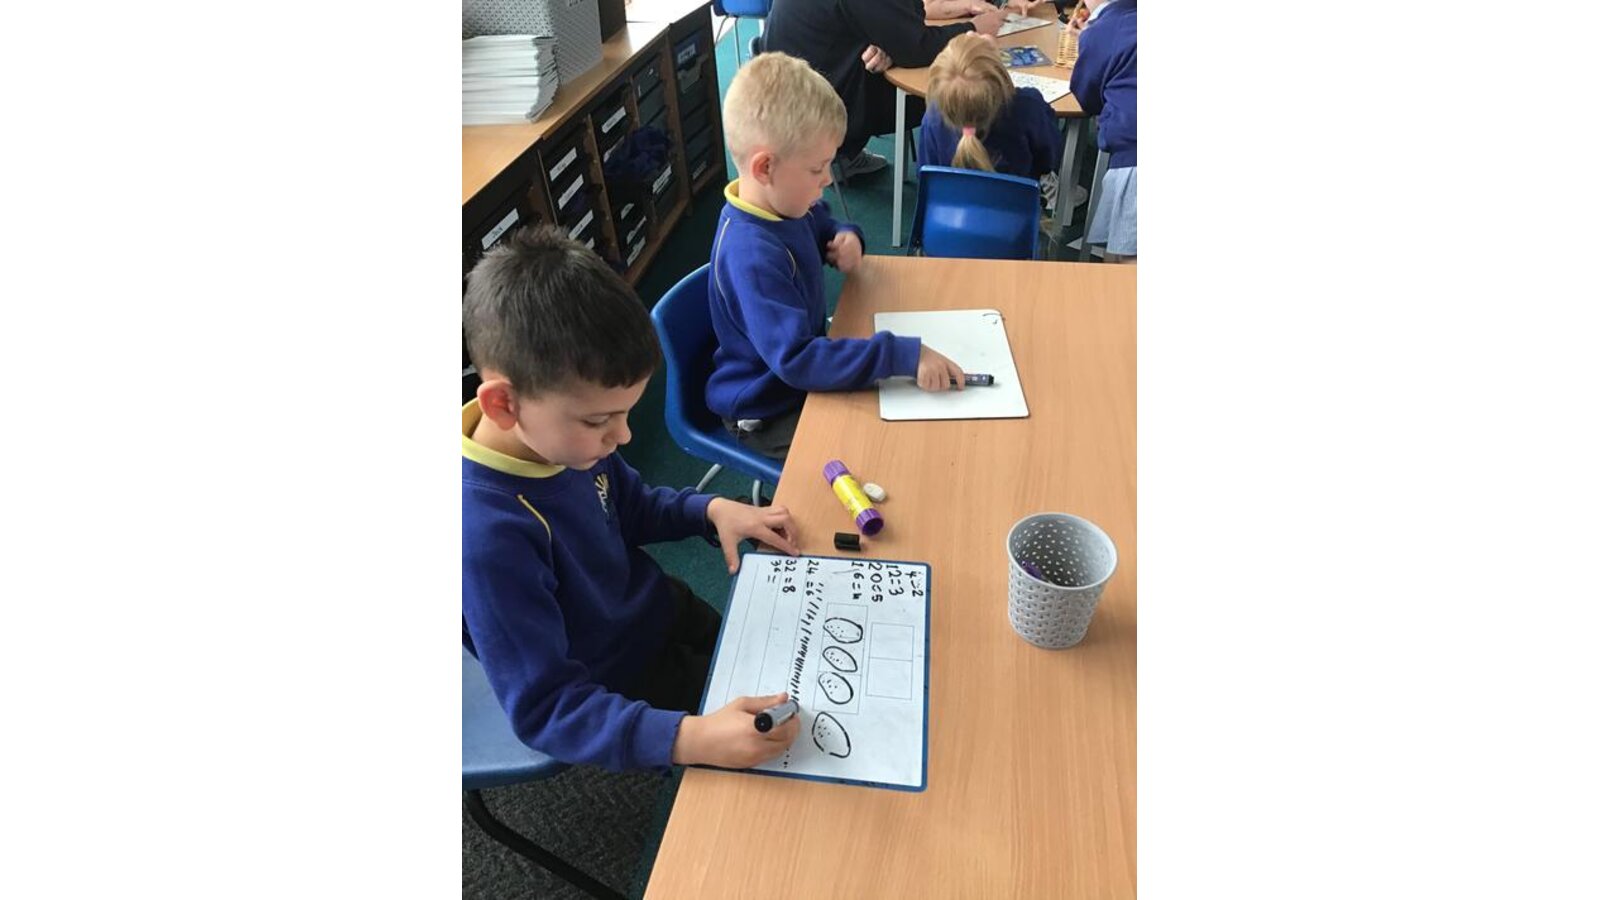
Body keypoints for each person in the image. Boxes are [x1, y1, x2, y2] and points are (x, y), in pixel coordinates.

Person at [462, 225, 803, 772]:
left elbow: (631, 507)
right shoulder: (484, 537)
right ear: (503, 405)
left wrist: (708, 509)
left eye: (625, 414)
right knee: (769, 760)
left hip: (659, 610)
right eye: (599, 420)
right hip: (620, 682)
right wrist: (690, 739)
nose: (621, 437)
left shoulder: (567, 443)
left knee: (770, 677)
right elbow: (547, 708)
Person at [707, 52, 967, 459]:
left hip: (801, 367)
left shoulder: (786, 204)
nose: (827, 179)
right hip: (769, 406)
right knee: (879, 448)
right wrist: (901, 354)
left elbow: (824, 223)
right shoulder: (750, 256)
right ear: (765, 168)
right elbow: (798, 360)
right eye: (817, 169)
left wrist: (846, 236)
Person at [764, 0, 1005, 178]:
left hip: (794, 85)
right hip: (823, 106)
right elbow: (917, 47)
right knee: (961, 90)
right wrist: (974, 28)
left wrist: (893, 44)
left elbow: (902, 15)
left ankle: (842, 153)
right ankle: (972, 178)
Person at [919, 32, 1063, 180]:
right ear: (1000, 77)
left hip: (949, 195)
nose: (971, 33)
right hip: (1017, 195)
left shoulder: (934, 116)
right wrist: (987, 53)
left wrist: (981, 52)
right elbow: (1051, 158)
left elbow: (927, 175)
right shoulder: (1028, 106)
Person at [1068, 0, 1136, 261]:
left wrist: (1089, 43)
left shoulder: (1103, 31)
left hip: (1133, 163)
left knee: (1125, 262)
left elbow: (1088, 98)